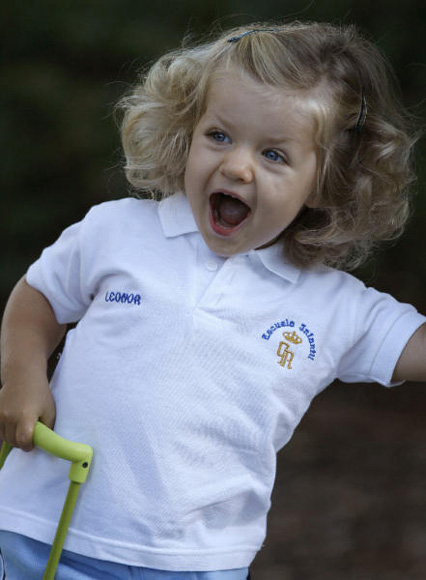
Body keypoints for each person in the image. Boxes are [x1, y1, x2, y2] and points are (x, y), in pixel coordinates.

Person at [0, 20, 425, 580]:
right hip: (44, 530)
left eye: (274, 155)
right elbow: (36, 301)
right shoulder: (117, 231)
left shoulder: (335, 305)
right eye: (219, 136)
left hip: (197, 563)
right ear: (187, 130)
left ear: (325, 181)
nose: (237, 165)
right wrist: (22, 377)